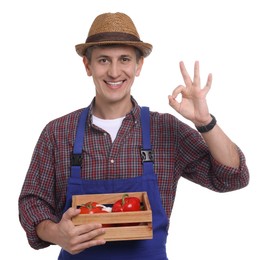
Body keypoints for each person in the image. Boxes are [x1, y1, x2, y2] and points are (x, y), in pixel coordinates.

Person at [18, 12, 249, 260]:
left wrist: (205, 123)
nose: (114, 72)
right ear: (88, 66)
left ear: (139, 66)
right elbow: (32, 201)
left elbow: (232, 177)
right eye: (103, 60)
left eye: (124, 59)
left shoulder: (165, 129)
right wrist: (56, 233)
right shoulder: (58, 132)